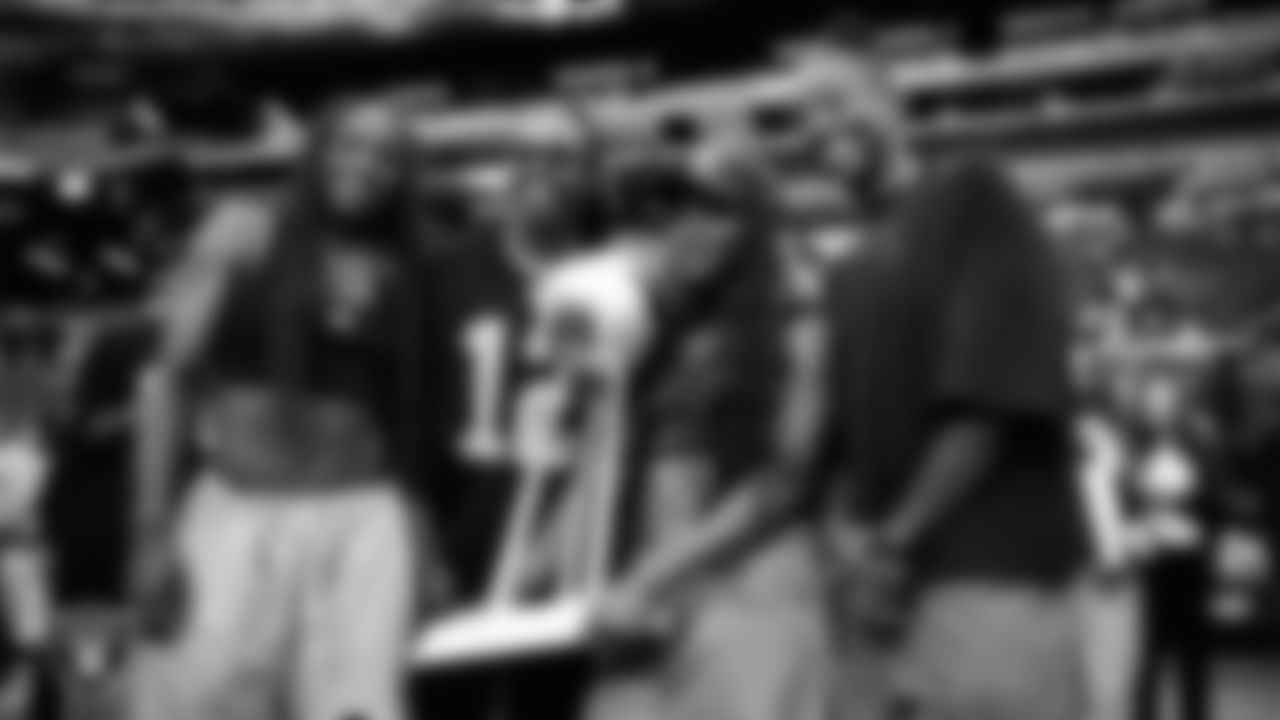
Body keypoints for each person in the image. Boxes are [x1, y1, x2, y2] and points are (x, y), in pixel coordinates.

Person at [126, 101, 439, 720]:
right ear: (318, 150)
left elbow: (410, 423)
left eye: (388, 157)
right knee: (200, 696)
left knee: (358, 708)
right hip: (239, 514)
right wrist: (151, 531)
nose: (367, 166)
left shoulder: (409, 264)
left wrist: (426, 548)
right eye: (351, 145)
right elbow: (165, 381)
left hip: (362, 523)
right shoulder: (246, 227)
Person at [814, 50, 1088, 720]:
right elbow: (839, 444)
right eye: (800, 116)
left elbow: (990, 401)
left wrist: (890, 541)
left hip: (989, 584)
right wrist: (847, 541)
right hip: (880, 609)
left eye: (833, 99)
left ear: (891, 98)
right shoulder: (846, 269)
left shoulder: (975, 192)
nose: (818, 125)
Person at [582, 156, 839, 720]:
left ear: (756, 223)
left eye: (716, 211)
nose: (691, 227)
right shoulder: (658, 331)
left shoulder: (798, 323)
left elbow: (784, 482)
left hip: (750, 591)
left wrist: (652, 575)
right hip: (654, 597)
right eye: (677, 211)